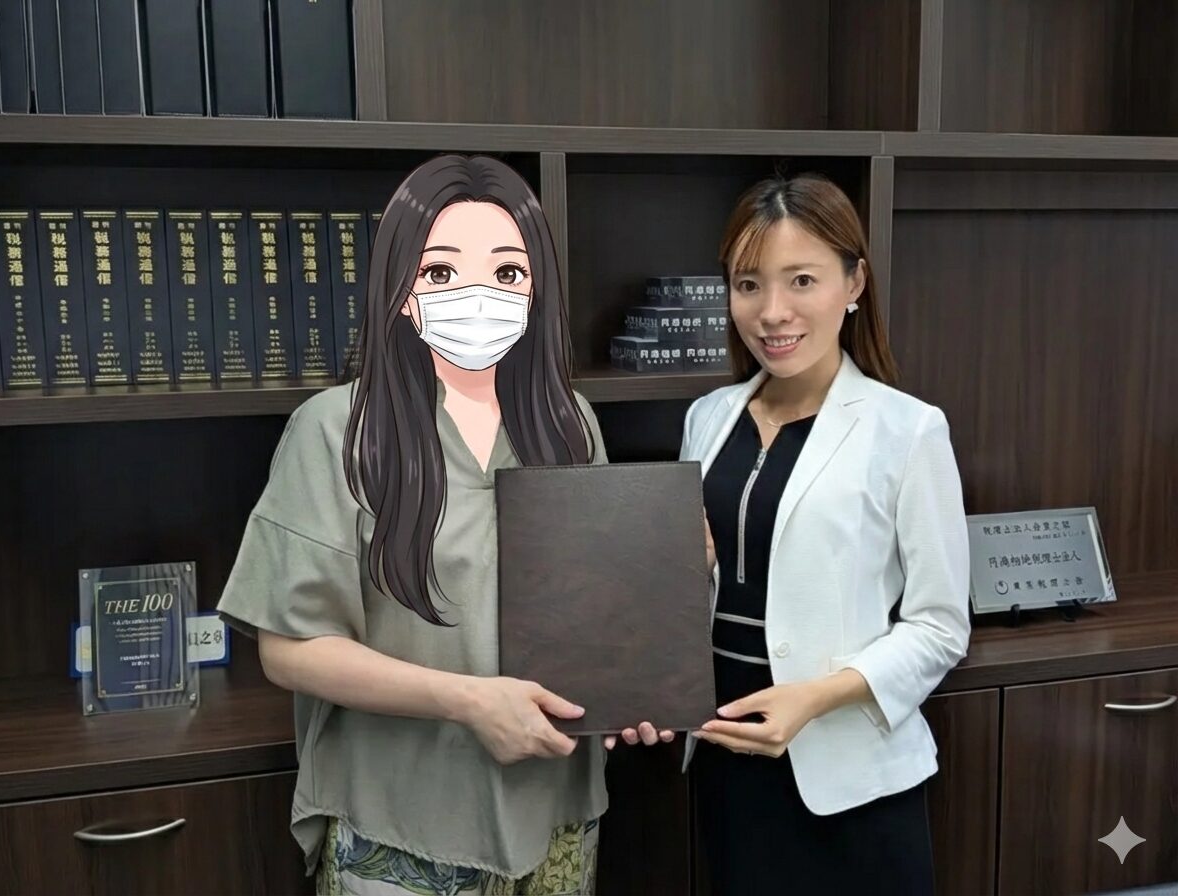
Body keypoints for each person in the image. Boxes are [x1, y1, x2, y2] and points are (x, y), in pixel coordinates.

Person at [217, 154, 670, 896]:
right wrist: (467, 700)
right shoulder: (337, 431)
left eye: (507, 272)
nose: (478, 296)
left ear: (536, 290)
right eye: (441, 272)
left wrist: (636, 688)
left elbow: (593, 611)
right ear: (401, 290)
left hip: (556, 813)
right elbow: (290, 650)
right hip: (404, 820)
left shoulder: (570, 424)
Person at [680, 172, 971, 895]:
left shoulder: (909, 429)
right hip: (723, 753)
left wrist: (811, 699)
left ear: (854, 282)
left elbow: (940, 627)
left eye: (801, 280)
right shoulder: (707, 417)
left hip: (849, 776)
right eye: (748, 285)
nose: (772, 312)